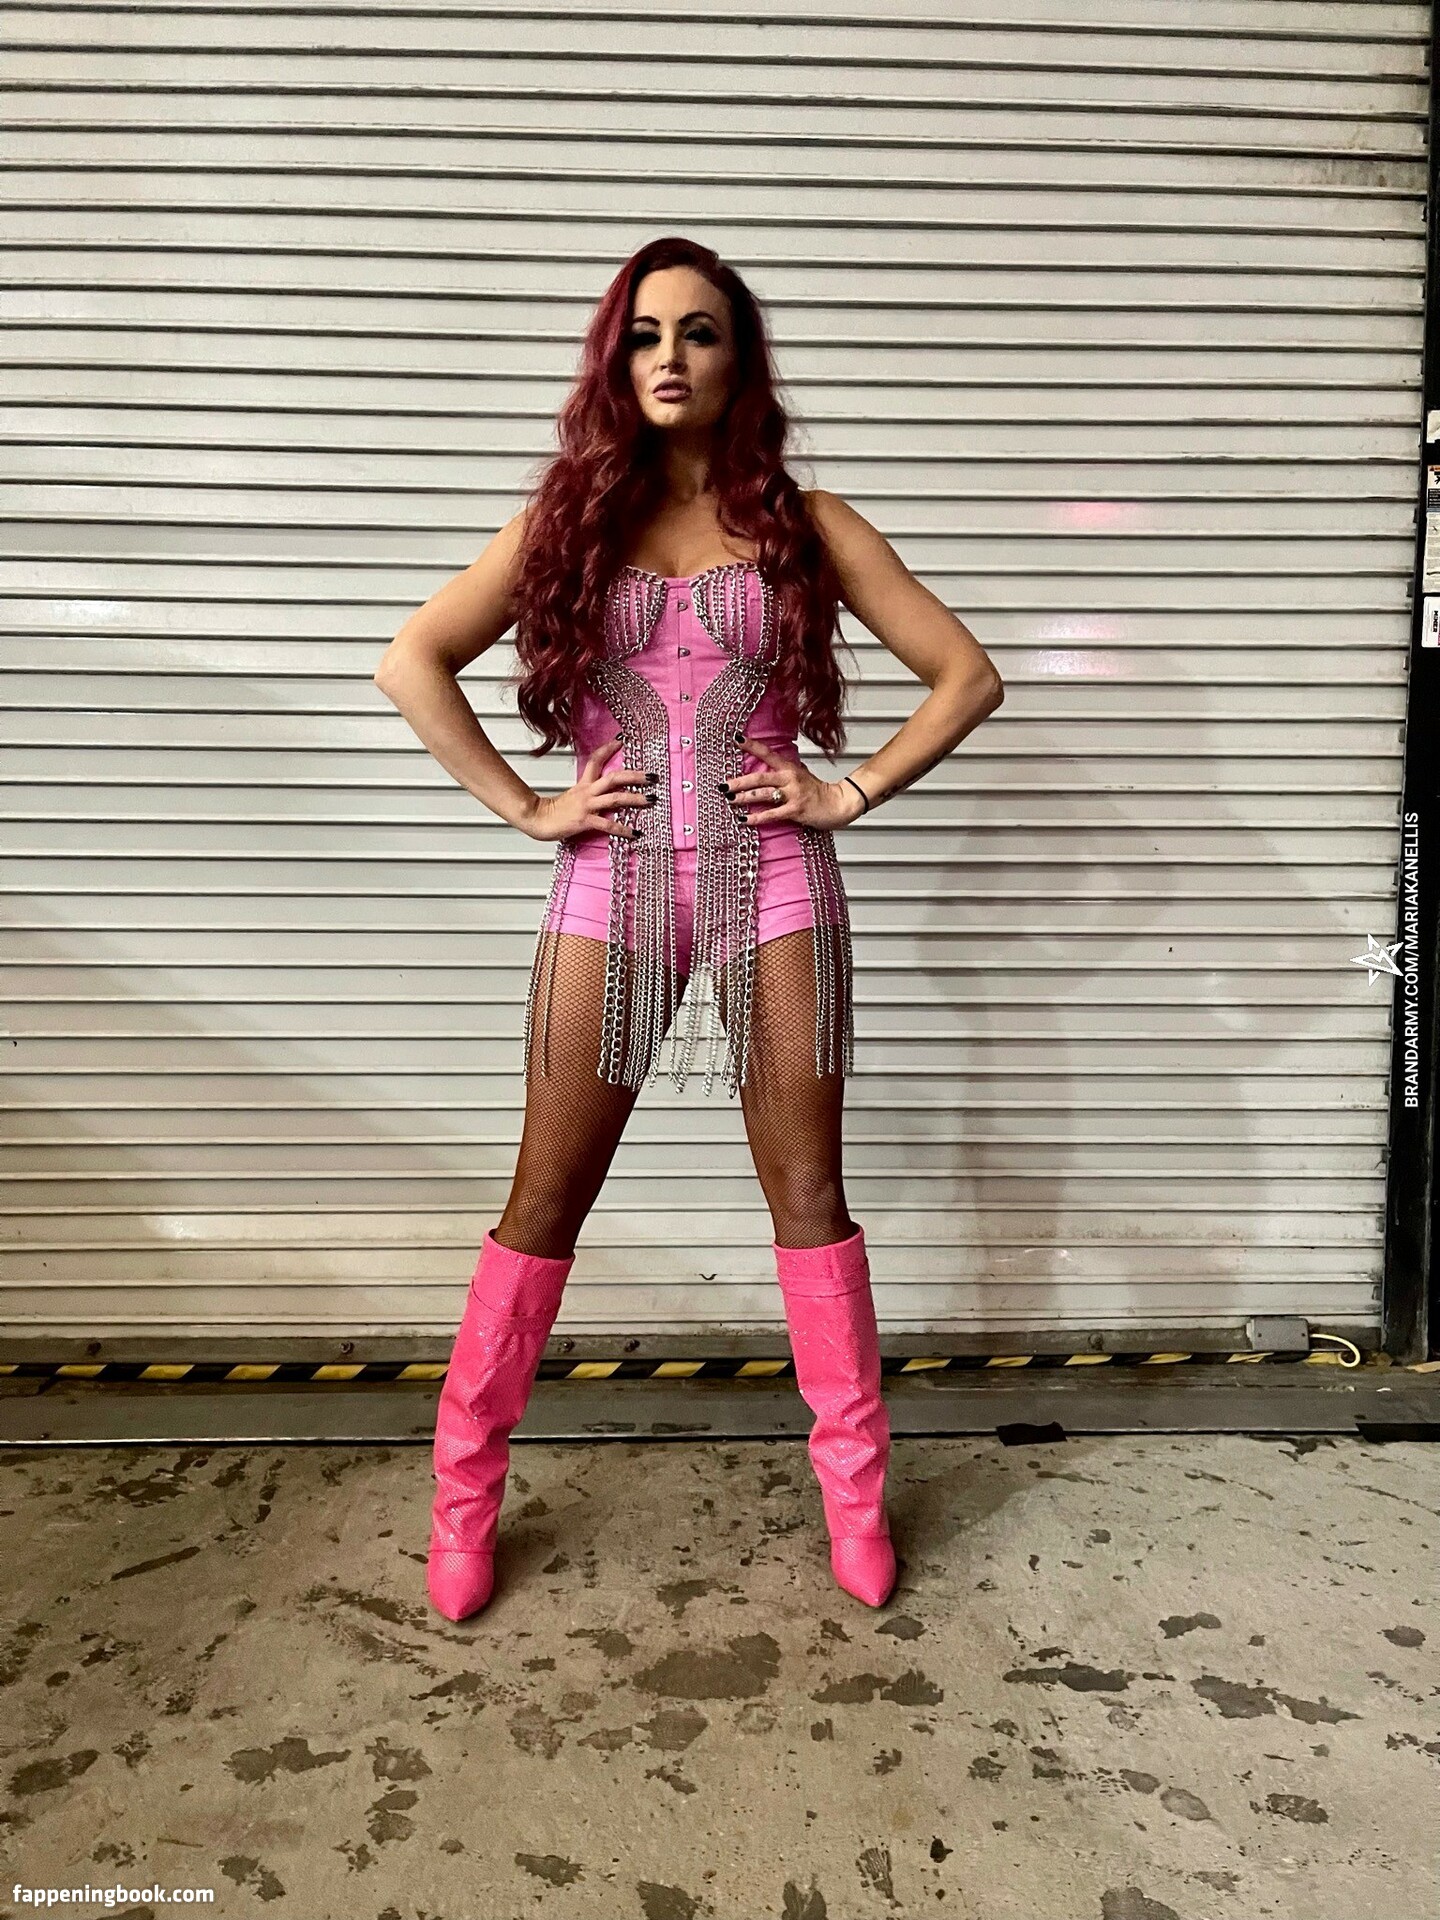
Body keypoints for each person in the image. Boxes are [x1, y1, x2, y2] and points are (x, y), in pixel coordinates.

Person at [374, 236, 1004, 1623]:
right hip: (609, 888)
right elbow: (410, 659)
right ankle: (462, 1506)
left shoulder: (810, 522)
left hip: (775, 884)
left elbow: (967, 675)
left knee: (810, 1203)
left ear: (739, 359)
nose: (671, 357)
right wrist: (527, 806)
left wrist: (849, 790)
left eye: (701, 332)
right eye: (646, 334)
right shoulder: (564, 525)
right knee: (544, 1202)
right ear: (617, 360)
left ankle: (856, 1501)